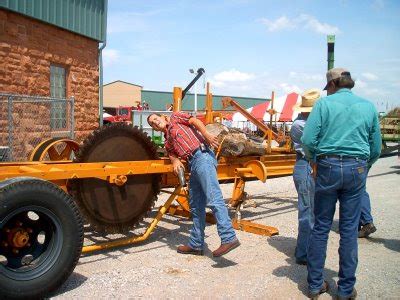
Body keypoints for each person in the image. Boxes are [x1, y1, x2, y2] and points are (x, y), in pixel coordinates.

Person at [301, 68, 381, 299]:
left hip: (327, 166)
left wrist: (314, 159)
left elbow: (307, 140)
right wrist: (365, 166)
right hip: (356, 167)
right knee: (348, 230)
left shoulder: (324, 105)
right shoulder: (368, 106)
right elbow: (375, 147)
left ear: (333, 85)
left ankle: (315, 285)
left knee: (321, 227)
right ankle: (345, 290)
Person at [147, 112, 240, 257]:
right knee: (196, 205)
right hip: (193, 164)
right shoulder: (167, 141)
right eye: (152, 123)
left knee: (213, 198)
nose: (155, 122)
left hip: (202, 156)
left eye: (155, 119)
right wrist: (175, 160)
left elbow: (194, 121)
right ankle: (196, 244)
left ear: (163, 117)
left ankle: (229, 237)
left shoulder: (176, 117)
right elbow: (171, 153)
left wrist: (207, 135)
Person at [290, 88, 321, 265]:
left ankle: (305, 247)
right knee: (308, 210)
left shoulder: (306, 122)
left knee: (312, 209)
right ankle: (303, 252)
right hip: (307, 164)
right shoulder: (300, 125)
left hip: (310, 165)